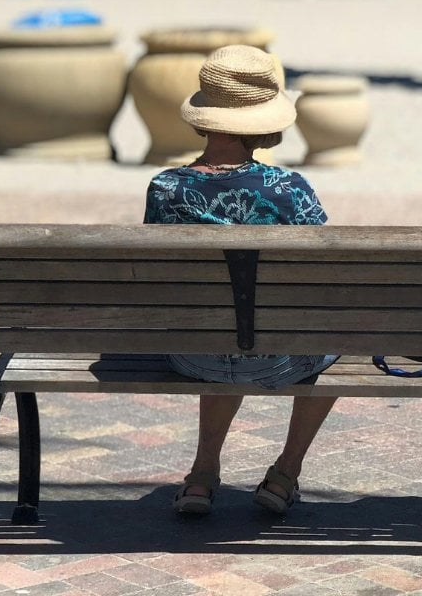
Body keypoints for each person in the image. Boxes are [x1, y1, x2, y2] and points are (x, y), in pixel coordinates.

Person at [144, 44, 338, 519]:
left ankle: (202, 475)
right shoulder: (290, 191)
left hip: (192, 356)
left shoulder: (164, 189)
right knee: (340, 332)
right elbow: (326, 270)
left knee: (223, 320)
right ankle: (286, 472)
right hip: (277, 362)